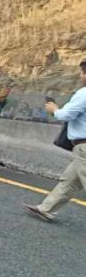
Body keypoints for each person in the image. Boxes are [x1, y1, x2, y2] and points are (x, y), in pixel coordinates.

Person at [24, 59, 86, 222]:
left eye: (82, 72)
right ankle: (46, 208)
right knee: (70, 180)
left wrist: (54, 109)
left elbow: (65, 115)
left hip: (84, 146)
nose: (81, 76)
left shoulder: (84, 93)